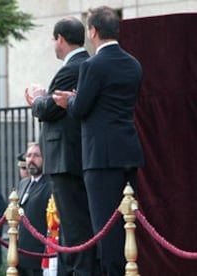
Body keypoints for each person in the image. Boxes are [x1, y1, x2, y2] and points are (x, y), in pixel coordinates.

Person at [52, 6, 144, 275]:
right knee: (128, 224)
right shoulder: (133, 64)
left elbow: (80, 109)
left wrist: (68, 101)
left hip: (100, 157)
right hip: (129, 151)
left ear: (92, 31)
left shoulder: (93, 65)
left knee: (105, 228)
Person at [25, 17, 97, 275]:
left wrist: (36, 99)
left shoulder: (71, 68)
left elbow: (48, 110)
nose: (54, 45)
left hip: (66, 159)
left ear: (61, 39)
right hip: (76, 157)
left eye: (54, 40)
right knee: (72, 225)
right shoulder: (87, 64)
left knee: (75, 226)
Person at [16, 142, 52, 276]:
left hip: (38, 257)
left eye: (36, 155)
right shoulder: (23, 183)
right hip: (20, 255)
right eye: (29, 156)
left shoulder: (50, 184)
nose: (31, 159)